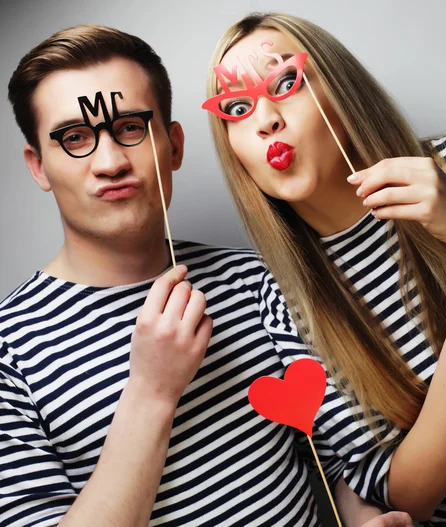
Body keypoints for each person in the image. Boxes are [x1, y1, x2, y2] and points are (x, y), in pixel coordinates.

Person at [1, 24, 416, 527]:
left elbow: (331, 455)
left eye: (131, 128)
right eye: (75, 138)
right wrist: (152, 393)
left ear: (174, 146)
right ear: (38, 167)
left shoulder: (257, 281)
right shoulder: (10, 352)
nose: (110, 162)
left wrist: (362, 516)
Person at [203, 12, 446, 526]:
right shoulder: (285, 311)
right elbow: (407, 499)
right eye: (237, 108)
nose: (266, 120)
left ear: (341, 86)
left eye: (285, 82)